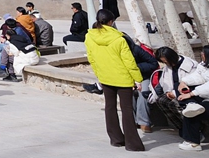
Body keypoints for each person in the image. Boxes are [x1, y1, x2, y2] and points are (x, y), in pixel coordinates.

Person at [85, 9, 144, 152]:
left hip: (105, 77)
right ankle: (133, 144)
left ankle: (116, 139)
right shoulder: (119, 39)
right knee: (127, 110)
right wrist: (138, 79)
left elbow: (91, 58)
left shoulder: (89, 36)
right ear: (111, 22)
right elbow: (129, 61)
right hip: (123, 78)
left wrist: (99, 74)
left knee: (110, 107)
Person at [149, 46, 209, 150]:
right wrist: (184, 81)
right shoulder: (203, 66)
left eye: (203, 53)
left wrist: (191, 94)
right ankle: (188, 134)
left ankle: (194, 142)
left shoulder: (190, 64)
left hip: (201, 96)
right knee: (186, 107)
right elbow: (198, 76)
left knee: (192, 112)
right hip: (194, 94)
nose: (201, 55)